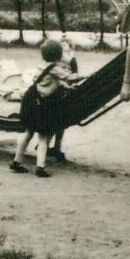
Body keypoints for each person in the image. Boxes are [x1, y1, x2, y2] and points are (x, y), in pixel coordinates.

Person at [10, 39, 85, 177]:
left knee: (28, 133)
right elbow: (70, 77)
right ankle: (40, 167)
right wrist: (85, 76)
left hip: (30, 101)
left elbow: (52, 82)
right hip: (41, 105)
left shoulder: (42, 66)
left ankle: (16, 162)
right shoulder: (56, 68)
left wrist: (66, 86)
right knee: (44, 137)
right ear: (59, 56)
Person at [46, 35, 78, 163]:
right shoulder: (55, 62)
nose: (62, 48)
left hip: (62, 94)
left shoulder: (71, 60)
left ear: (70, 49)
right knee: (58, 122)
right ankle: (51, 146)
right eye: (61, 46)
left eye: (65, 45)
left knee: (58, 121)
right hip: (58, 92)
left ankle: (54, 146)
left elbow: (74, 75)